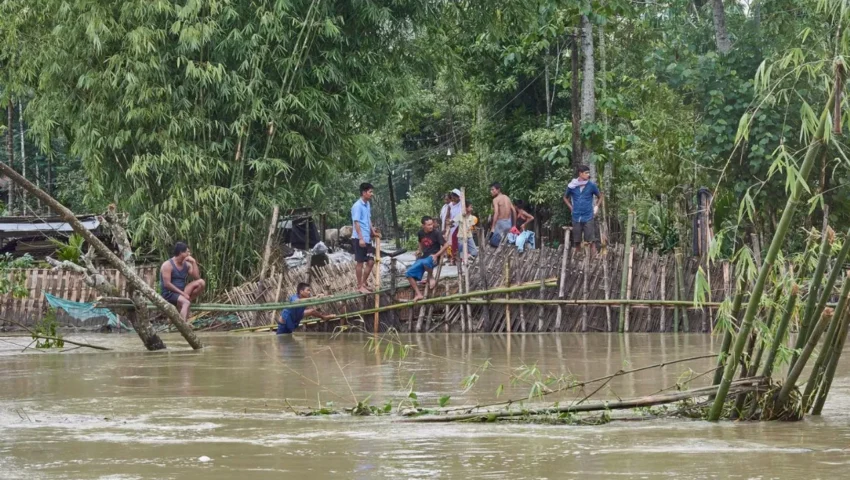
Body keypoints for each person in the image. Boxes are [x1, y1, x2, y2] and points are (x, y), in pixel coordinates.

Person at [406, 216, 450, 301]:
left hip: (433, 258)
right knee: (408, 274)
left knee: (425, 262)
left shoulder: (436, 233)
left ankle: (431, 277)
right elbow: (420, 243)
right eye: (429, 225)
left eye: (432, 224)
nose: (431, 226)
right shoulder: (420, 233)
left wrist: (436, 255)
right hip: (423, 258)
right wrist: (419, 251)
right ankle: (419, 294)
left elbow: (446, 245)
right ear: (423, 226)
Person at [160, 242, 206, 321]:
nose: (189, 253)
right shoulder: (167, 265)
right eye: (187, 251)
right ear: (181, 252)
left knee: (201, 282)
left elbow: (197, 277)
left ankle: (182, 303)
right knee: (186, 303)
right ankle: (183, 326)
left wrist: (194, 262)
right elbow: (167, 284)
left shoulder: (187, 264)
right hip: (169, 293)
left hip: (182, 292)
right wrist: (183, 294)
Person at [564, 165, 603, 253]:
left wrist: (596, 207)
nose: (588, 175)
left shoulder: (591, 185)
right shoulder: (572, 186)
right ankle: (578, 260)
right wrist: (571, 207)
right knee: (577, 241)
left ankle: (593, 261)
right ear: (580, 174)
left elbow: (600, 197)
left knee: (591, 240)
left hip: (588, 215)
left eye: (588, 173)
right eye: (586, 173)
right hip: (576, 216)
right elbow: (565, 197)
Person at [352, 182, 380, 294]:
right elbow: (356, 223)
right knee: (360, 262)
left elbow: (368, 220)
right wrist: (361, 238)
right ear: (364, 193)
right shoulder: (357, 206)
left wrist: (373, 232)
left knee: (370, 262)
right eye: (370, 192)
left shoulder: (367, 204)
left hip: (367, 238)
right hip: (359, 238)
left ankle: (363, 283)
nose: (371, 194)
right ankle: (359, 285)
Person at [446, 189, 463, 264]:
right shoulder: (450, 205)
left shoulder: (462, 204)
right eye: (452, 197)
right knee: (453, 243)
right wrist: (448, 223)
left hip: (460, 226)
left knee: (460, 243)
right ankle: (454, 259)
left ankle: (460, 258)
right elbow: (447, 216)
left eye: (455, 197)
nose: (453, 199)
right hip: (452, 226)